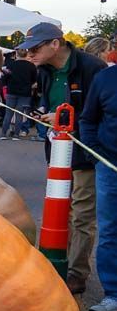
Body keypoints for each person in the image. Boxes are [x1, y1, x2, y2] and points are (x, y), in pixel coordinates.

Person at [21, 22, 107, 294]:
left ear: (55, 44)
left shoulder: (92, 68)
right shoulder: (45, 70)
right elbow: (48, 101)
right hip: (58, 149)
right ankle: (58, 261)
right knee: (61, 208)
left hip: (85, 150)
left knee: (81, 213)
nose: (29, 55)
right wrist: (42, 112)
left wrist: (66, 119)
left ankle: (76, 273)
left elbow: (101, 112)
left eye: (34, 49)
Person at [80, 56, 117, 311]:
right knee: (110, 230)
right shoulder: (105, 79)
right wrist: (96, 156)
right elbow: (88, 119)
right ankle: (113, 293)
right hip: (109, 165)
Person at [0, 49, 36, 140]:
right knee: (19, 114)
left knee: (8, 113)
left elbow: (5, 78)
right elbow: (34, 79)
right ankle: (16, 134)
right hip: (25, 92)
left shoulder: (11, 65)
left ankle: (3, 134)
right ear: (26, 54)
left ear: (16, 54)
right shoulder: (31, 66)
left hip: (11, 91)